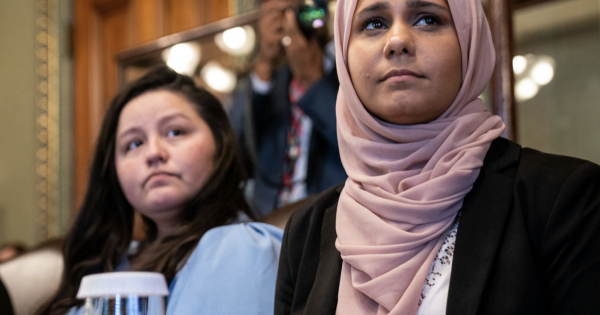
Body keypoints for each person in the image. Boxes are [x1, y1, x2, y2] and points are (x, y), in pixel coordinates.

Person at [274, 0, 600, 314]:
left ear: (470, 43)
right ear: (344, 54)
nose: (398, 40)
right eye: (374, 23)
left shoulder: (562, 199)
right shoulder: (306, 232)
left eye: (428, 19)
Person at [38, 66, 283, 315]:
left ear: (220, 144)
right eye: (134, 143)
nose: (153, 153)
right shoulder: (114, 261)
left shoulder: (238, 247)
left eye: (175, 132)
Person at [229, 0, 346, 216]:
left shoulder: (348, 71)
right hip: (269, 219)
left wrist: (312, 81)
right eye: (279, 13)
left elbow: (359, 145)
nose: (289, 20)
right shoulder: (272, 80)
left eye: (299, 9)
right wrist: (264, 64)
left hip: (330, 217)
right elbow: (233, 154)